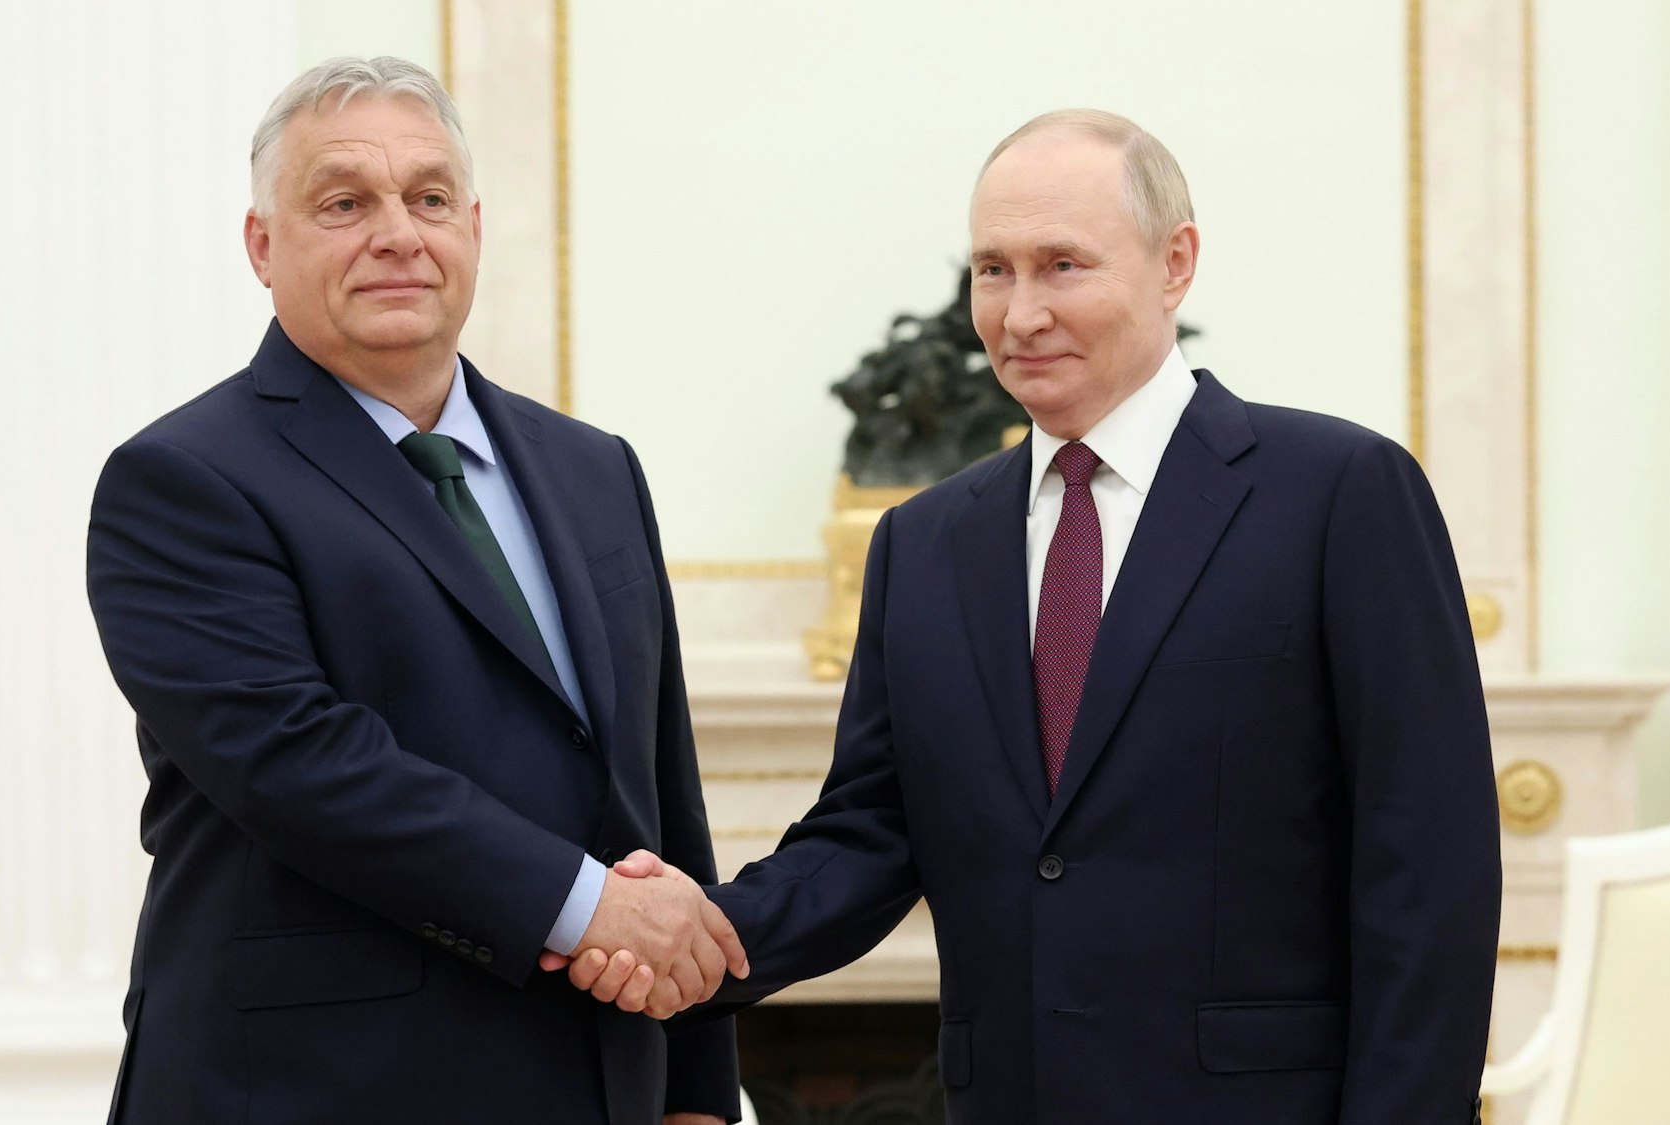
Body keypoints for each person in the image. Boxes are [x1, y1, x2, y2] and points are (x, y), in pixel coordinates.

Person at [553, 110, 1500, 1124]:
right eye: (991, 270)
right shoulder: (919, 545)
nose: (1019, 313)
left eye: (1061, 266)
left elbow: (1428, 876)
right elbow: (867, 837)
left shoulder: (1339, 495)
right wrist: (698, 933)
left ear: (1173, 263)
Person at [86, 57, 744, 1125]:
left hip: (596, 1086)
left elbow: (659, 787)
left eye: (427, 198)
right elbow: (304, 764)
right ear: (262, 245)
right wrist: (589, 913)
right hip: (313, 1088)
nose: (397, 232)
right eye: (344, 202)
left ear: (472, 228)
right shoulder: (182, 482)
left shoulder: (594, 469)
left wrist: (698, 1092)